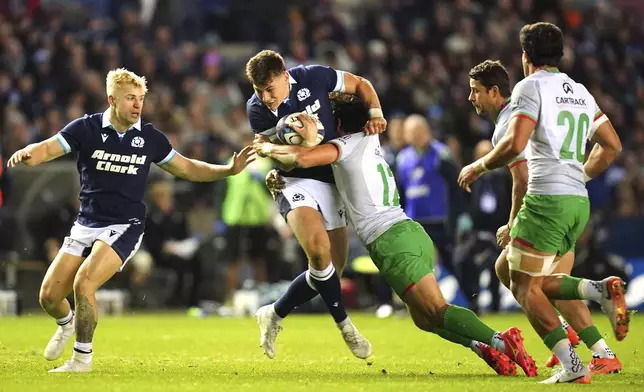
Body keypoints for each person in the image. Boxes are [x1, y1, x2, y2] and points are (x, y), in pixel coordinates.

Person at [255, 94, 538, 377]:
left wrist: (268, 147)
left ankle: (501, 341)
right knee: (424, 321)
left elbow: (303, 157)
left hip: (391, 241)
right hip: (409, 231)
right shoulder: (370, 140)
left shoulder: (343, 146)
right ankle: (485, 350)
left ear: (338, 124)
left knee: (438, 311)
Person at [7, 68, 255, 373]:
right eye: (130, 99)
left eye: (140, 99)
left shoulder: (149, 138)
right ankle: (67, 323)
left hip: (126, 224)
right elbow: (48, 147)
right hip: (87, 222)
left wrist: (227, 169)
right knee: (48, 297)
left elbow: (188, 168)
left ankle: (81, 360)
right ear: (112, 99)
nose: (137, 105)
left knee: (84, 283)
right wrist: (30, 152)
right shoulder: (86, 128)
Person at [458, 23, 627, 384]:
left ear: (525, 56)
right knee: (534, 279)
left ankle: (575, 364)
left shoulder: (530, 87)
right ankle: (596, 299)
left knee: (525, 287)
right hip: (576, 202)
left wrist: (478, 165)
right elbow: (612, 145)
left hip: (546, 197)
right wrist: (579, 176)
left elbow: (516, 144)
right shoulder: (579, 91)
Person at [245, 50, 386, 361]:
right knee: (318, 253)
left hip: (332, 178)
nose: (266, 98)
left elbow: (360, 83)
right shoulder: (257, 109)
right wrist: (293, 145)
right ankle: (346, 326)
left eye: (270, 89)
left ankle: (274, 312)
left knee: (331, 270)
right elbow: (279, 152)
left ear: (285, 76)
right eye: (259, 91)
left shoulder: (314, 76)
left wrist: (375, 111)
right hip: (293, 181)